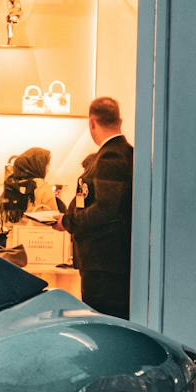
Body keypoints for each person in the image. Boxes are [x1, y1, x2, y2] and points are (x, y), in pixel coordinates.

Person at [58, 97, 133, 319]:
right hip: (114, 263)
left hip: (104, 266)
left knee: (103, 323)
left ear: (92, 123)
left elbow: (105, 209)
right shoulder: (127, 153)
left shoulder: (110, 156)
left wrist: (68, 221)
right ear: (119, 120)